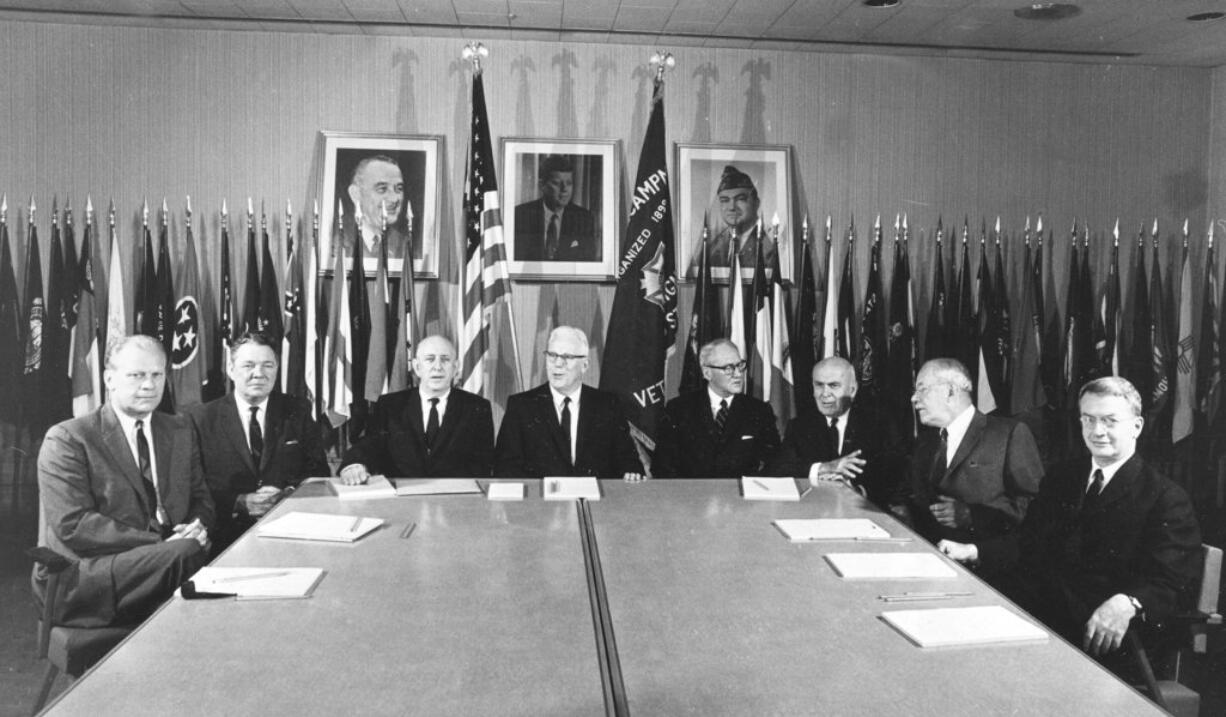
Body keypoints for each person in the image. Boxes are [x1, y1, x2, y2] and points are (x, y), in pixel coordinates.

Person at [938, 377, 1201, 661]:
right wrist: (974, 550)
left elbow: (1169, 582)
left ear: (1136, 426)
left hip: (1105, 634)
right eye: (1088, 420)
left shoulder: (1165, 497)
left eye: (1110, 420)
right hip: (1044, 612)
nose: (1097, 431)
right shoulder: (1062, 477)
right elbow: (1029, 540)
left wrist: (1127, 603)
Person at [34, 335, 214, 627]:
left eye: (157, 375)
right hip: (90, 573)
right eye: (137, 375)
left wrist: (198, 524)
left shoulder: (179, 429)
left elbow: (201, 498)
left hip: (170, 557)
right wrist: (162, 542)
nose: (149, 385)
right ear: (109, 379)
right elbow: (74, 525)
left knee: (200, 550)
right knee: (188, 554)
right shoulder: (68, 438)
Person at [188, 332, 329, 554]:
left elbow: (320, 470)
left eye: (268, 365)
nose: (259, 374)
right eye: (249, 365)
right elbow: (193, 487)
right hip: (225, 538)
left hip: (292, 531)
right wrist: (238, 502)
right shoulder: (201, 418)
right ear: (231, 369)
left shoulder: (297, 409)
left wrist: (288, 493)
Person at [893, 358, 1043, 545]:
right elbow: (908, 493)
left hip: (985, 567)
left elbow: (1036, 509)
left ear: (950, 391)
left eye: (922, 389)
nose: (914, 398)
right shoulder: (926, 442)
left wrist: (973, 517)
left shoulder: (1008, 434)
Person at [340, 334, 495, 482]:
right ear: (417, 367)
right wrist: (354, 464)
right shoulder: (390, 406)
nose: (438, 367)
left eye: (445, 360)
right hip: (401, 501)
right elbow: (370, 445)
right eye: (430, 360)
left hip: (454, 502)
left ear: (455, 367)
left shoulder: (477, 408)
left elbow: (482, 466)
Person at [495, 326, 642, 480]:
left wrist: (632, 474)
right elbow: (505, 469)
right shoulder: (521, 406)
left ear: (585, 365)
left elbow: (629, 463)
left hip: (595, 500)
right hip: (541, 501)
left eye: (567, 357)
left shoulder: (608, 405)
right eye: (552, 355)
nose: (558, 364)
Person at [768, 357, 907, 504]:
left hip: (863, 513)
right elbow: (777, 470)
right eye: (819, 385)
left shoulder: (880, 425)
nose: (825, 394)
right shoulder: (800, 426)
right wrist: (824, 468)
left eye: (833, 386)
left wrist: (858, 492)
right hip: (814, 511)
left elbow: (898, 478)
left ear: (852, 390)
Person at [653, 339, 780, 478]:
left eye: (740, 365)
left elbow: (774, 464)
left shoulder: (760, 411)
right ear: (707, 373)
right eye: (728, 368)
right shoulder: (678, 409)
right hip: (692, 497)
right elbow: (662, 466)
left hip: (740, 496)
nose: (738, 374)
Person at [686, 165, 777, 279]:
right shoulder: (712, 246)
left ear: (756, 203)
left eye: (740, 199)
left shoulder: (770, 248)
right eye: (725, 200)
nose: (732, 207)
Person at [513, 154, 599, 262]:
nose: (564, 189)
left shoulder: (584, 218)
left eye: (569, 183)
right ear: (542, 185)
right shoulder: (521, 215)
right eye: (557, 183)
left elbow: (589, 264)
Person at [341, 154, 410, 260]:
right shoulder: (336, 241)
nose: (394, 199)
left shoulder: (405, 243)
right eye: (382, 189)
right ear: (356, 194)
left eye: (399, 189)